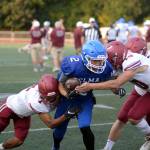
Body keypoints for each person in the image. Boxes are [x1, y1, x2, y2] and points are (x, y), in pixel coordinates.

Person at [76, 40, 150, 150]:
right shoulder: (122, 61)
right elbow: (112, 82)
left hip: (147, 89)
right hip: (142, 87)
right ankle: (107, 148)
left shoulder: (131, 61)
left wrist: (90, 86)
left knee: (134, 117)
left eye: (109, 60)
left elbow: (117, 83)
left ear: (116, 58)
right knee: (121, 117)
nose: (106, 63)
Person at [51, 40, 117, 150]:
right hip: (67, 99)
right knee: (59, 129)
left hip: (84, 99)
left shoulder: (106, 68)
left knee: (85, 126)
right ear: (86, 58)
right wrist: (67, 95)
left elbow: (112, 84)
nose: (99, 64)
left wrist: (116, 90)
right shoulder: (73, 65)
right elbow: (60, 84)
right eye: (95, 61)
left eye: (101, 61)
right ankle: (56, 146)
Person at [0, 74, 80, 150]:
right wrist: (68, 114)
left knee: (18, 141)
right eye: (44, 97)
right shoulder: (36, 102)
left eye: (51, 98)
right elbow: (51, 124)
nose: (46, 100)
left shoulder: (55, 87)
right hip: (8, 107)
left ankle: (1, 147)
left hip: (23, 115)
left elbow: (64, 83)